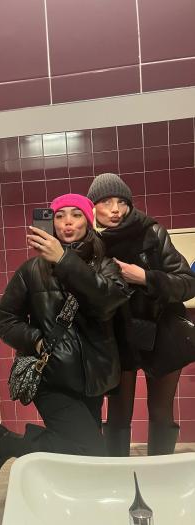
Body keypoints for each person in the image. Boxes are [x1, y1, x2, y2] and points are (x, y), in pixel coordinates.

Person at [0, 193, 131, 490]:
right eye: (60, 216)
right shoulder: (31, 271)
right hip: (51, 377)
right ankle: (6, 442)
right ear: (51, 224)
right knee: (91, 452)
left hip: (94, 377)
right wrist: (36, 341)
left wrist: (64, 261)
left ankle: (4, 442)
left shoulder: (106, 266)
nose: (67, 222)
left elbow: (108, 303)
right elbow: (6, 319)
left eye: (76, 215)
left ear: (88, 222)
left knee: (80, 457)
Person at [87, 173, 195, 456]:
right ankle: (117, 476)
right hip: (117, 337)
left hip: (161, 332)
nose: (115, 209)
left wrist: (145, 277)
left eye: (122, 202)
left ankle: (160, 474)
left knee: (161, 412)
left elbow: (188, 283)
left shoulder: (152, 232)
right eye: (106, 202)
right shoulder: (92, 243)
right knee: (118, 414)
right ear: (93, 207)